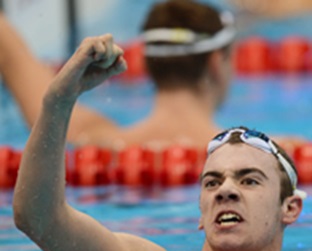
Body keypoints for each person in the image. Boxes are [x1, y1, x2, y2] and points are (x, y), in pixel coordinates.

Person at [12, 33, 312, 251]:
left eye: (249, 180)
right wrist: (57, 100)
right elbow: (39, 219)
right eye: (212, 182)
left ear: (289, 208)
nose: (225, 191)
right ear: (201, 212)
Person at [0, 0, 236, 150]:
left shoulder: (87, 140)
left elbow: (14, 55)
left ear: (145, 61)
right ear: (216, 62)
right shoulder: (253, 156)